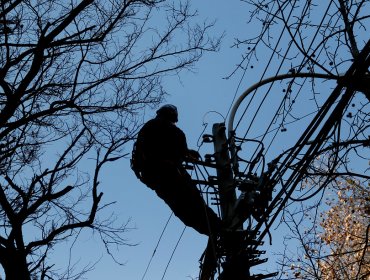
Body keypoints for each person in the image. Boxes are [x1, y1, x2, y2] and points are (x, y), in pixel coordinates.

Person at [131, 104, 223, 237]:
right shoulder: (173, 131)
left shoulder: (148, 127)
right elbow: (178, 149)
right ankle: (217, 228)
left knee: (182, 209)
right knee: (193, 202)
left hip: (154, 178)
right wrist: (186, 153)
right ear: (172, 117)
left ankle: (213, 230)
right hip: (168, 173)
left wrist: (185, 153)